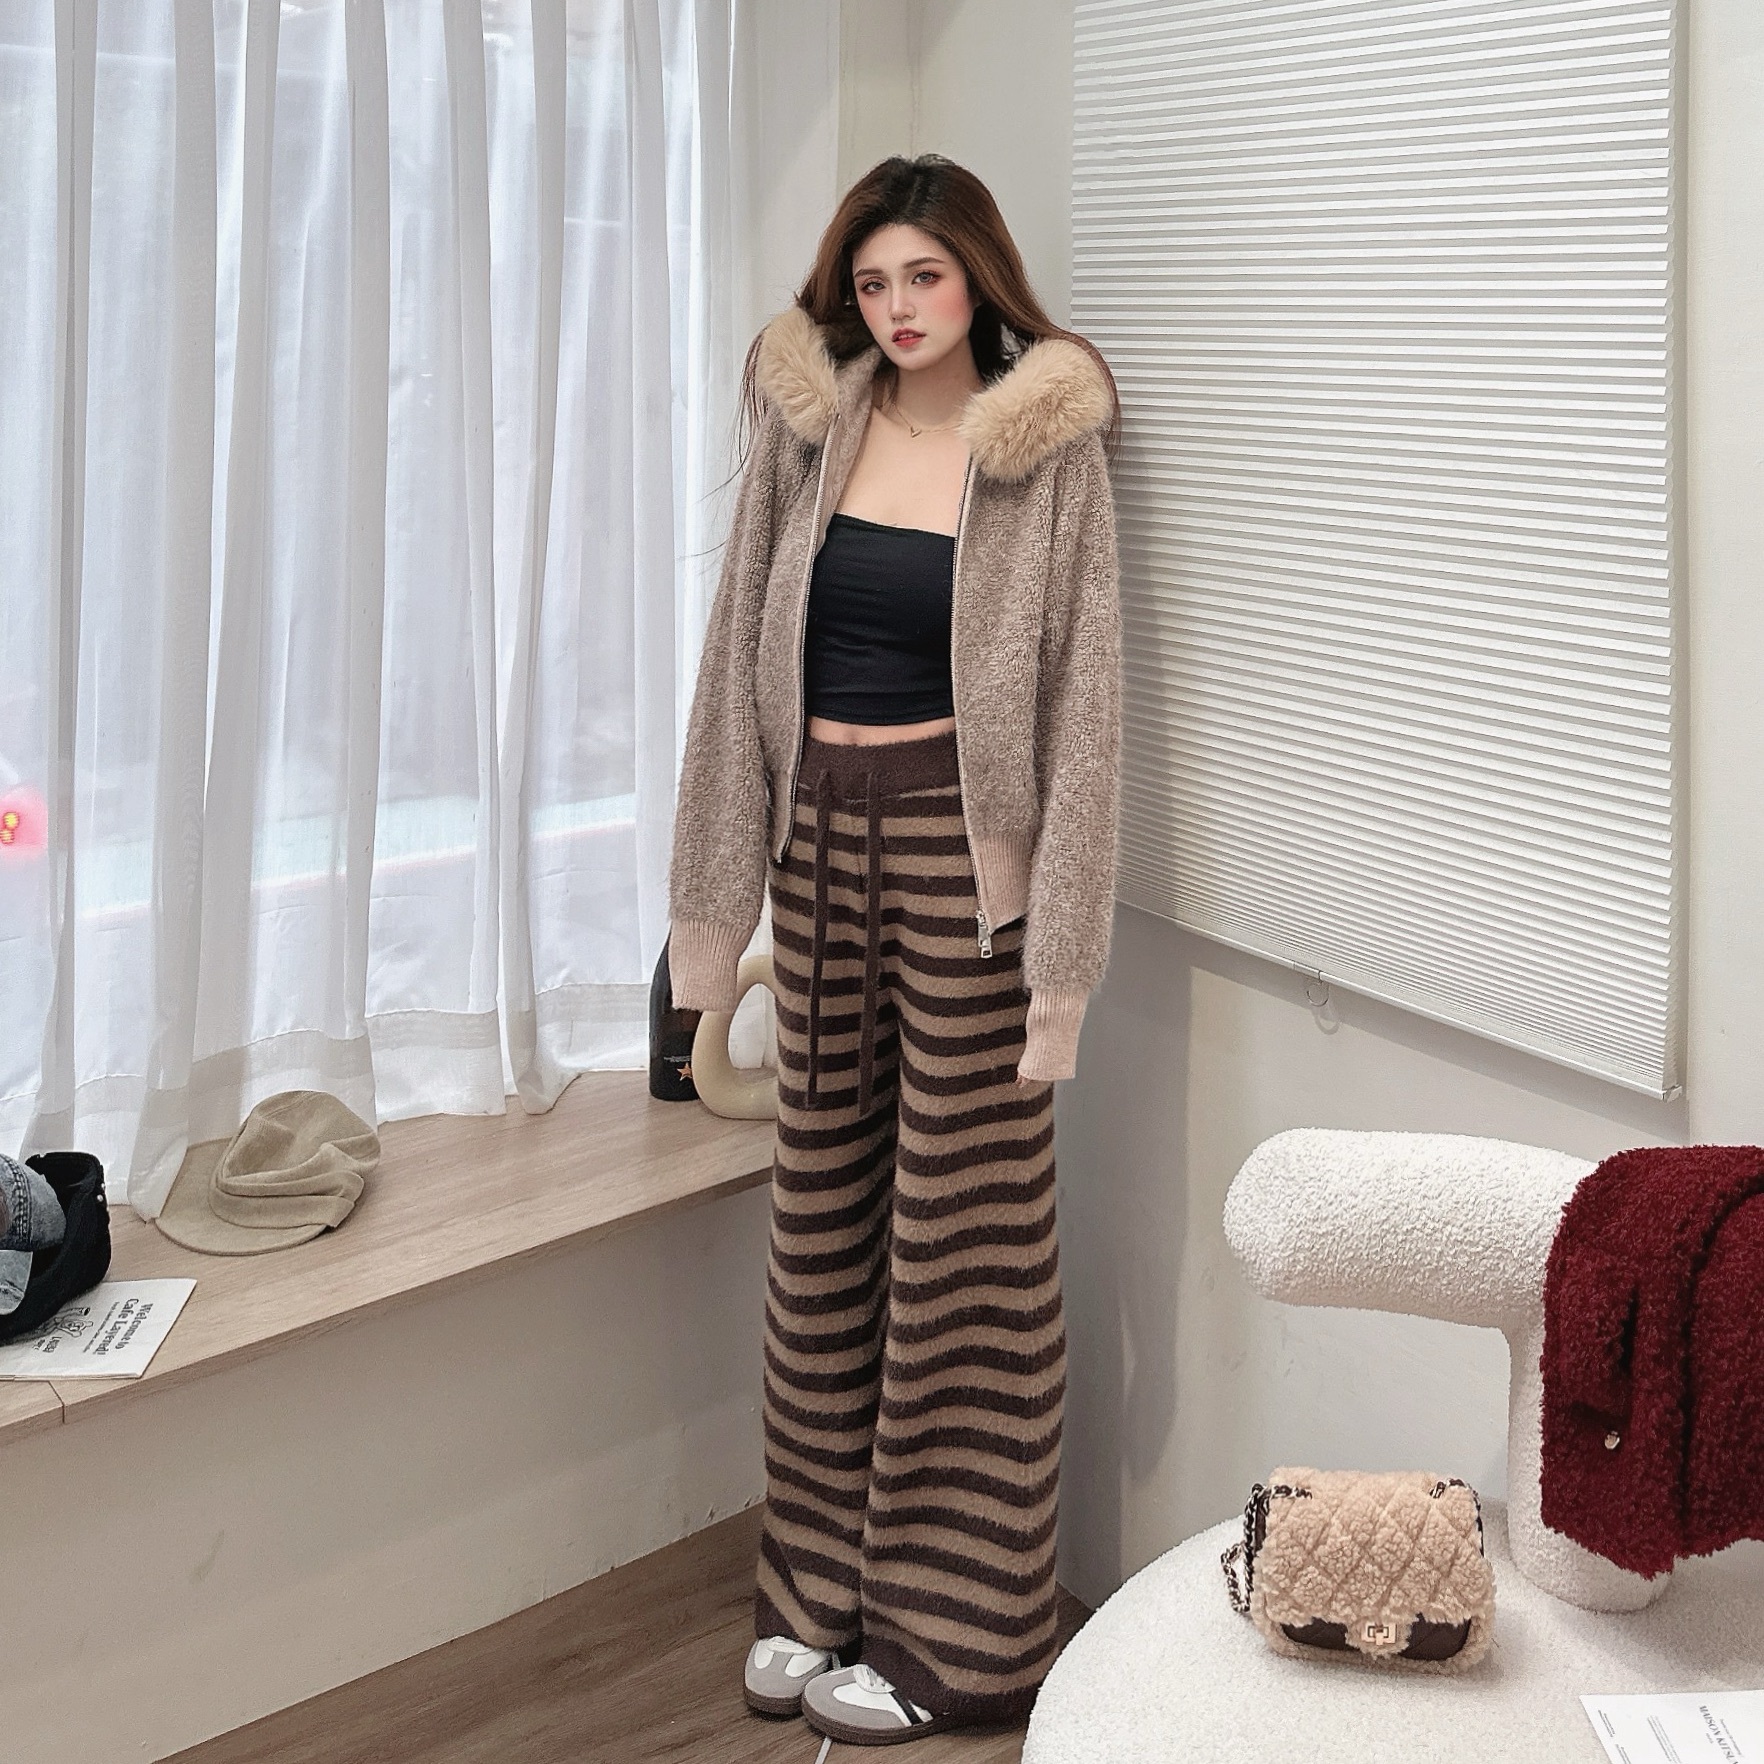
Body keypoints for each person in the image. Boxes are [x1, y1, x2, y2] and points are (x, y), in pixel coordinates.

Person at [666, 152, 1122, 1745]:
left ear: (977, 273)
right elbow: (736, 669)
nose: (898, 306)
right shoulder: (816, 427)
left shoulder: (1044, 446)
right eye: (872, 282)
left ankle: (964, 1636)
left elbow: (1086, 715)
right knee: (821, 1227)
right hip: (820, 852)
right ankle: (816, 1591)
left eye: (923, 274)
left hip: (963, 868)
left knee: (964, 1245)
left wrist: (1058, 975)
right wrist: (711, 931)